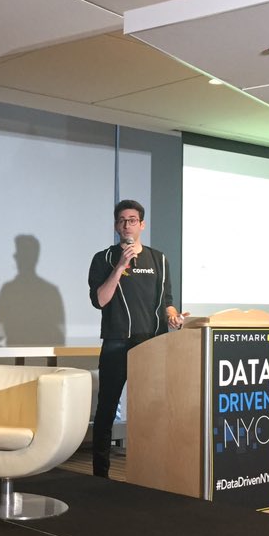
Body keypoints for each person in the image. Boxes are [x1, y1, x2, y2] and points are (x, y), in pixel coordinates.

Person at [87, 200, 186, 478]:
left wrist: (173, 317)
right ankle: (100, 476)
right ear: (116, 226)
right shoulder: (104, 258)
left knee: (154, 409)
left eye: (132, 220)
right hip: (116, 342)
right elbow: (100, 300)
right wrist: (120, 266)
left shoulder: (159, 259)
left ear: (142, 224)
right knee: (107, 409)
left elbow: (167, 302)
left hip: (151, 344)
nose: (126, 225)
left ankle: (153, 471)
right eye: (121, 220)